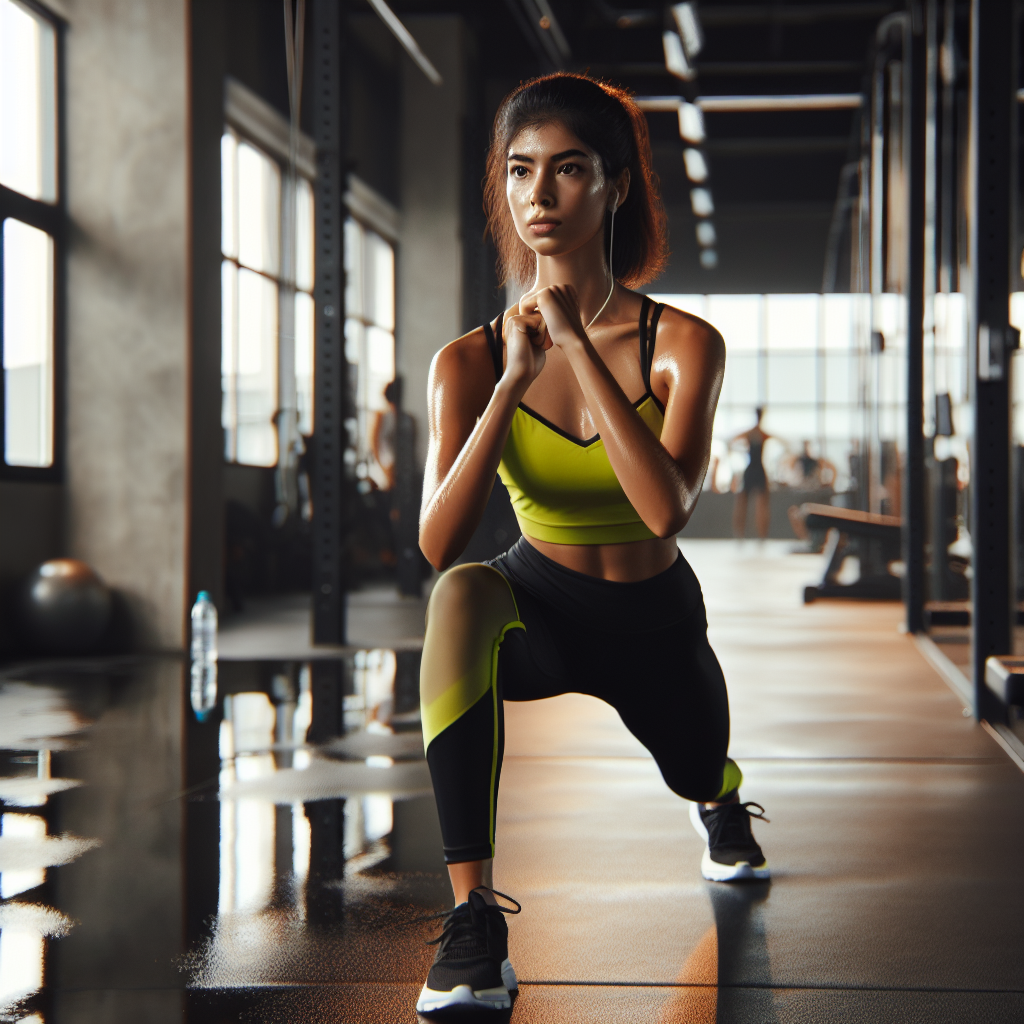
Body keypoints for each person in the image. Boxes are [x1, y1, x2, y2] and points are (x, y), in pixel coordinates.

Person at [415, 74, 769, 1015]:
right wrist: (508, 387)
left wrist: (574, 344)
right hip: (538, 607)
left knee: (696, 762)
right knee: (460, 595)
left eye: (568, 169)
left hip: (654, 620)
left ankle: (719, 800)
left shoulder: (683, 344)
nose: (538, 194)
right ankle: (473, 922)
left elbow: (664, 510)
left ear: (614, 185)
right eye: (519, 170)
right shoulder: (469, 361)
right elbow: (440, 542)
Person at [731, 408, 771, 541]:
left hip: (755, 469)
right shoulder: (759, 433)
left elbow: (733, 439)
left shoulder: (754, 433)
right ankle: (751, 534)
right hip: (755, 469)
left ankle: (755, 534)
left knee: (756, 505)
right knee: (750, 504)